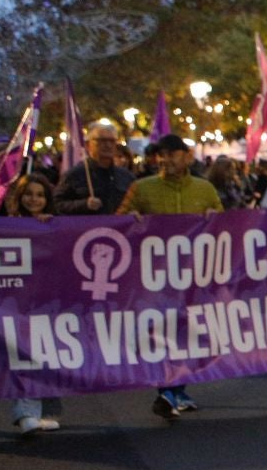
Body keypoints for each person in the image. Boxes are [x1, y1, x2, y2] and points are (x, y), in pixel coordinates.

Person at [119, 134, 221, 416]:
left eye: (172, 154)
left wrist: (216, 217)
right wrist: (131, 220)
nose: (166, 160)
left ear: (187, 156)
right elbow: (117, 221)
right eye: (161, 155)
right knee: (163, 332)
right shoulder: (141, 188)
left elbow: (225, 227)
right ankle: (166, 391)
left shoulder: (205, 189)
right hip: (157, 278)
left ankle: (179, 390)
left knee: (189, 333)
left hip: (194, 276)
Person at [1, 175, 65, 435]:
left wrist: (48, 228)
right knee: (23, 354)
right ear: (19, 197)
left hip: (46, 300)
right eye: (29, 194)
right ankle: (25, 411)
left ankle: (38, 412)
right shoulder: (6, 226)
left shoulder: (53, 225)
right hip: (17, 302)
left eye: (40, 195)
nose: (34, 199)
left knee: (45, 355)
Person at [54, 121, 136, 214]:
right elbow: (57, 205)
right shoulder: (74, 175)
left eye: (112, 141)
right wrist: (84, 204)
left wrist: (133, 213)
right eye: (102, 140)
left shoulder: (126, 176)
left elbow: (138, 204)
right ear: (88, 145)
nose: (108, 145)